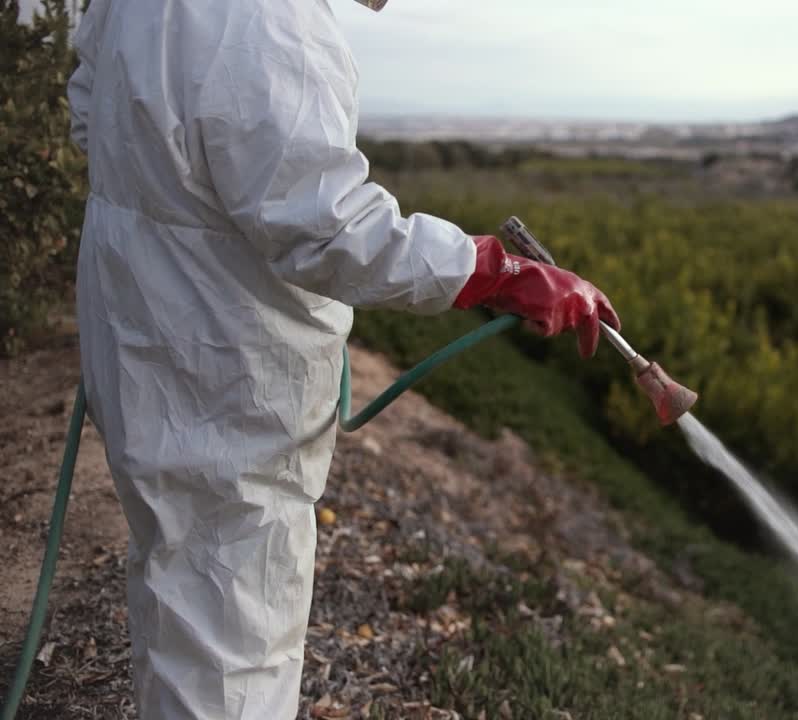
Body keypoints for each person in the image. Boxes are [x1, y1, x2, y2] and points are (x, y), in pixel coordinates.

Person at [67, 0, 618, 717]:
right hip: (222, 366)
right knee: (234, 633)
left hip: (139, 329)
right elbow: (327, 228)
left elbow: (91, 114)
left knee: (180, 580)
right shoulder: (276, 19)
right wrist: (494, 272)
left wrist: (174, 212)